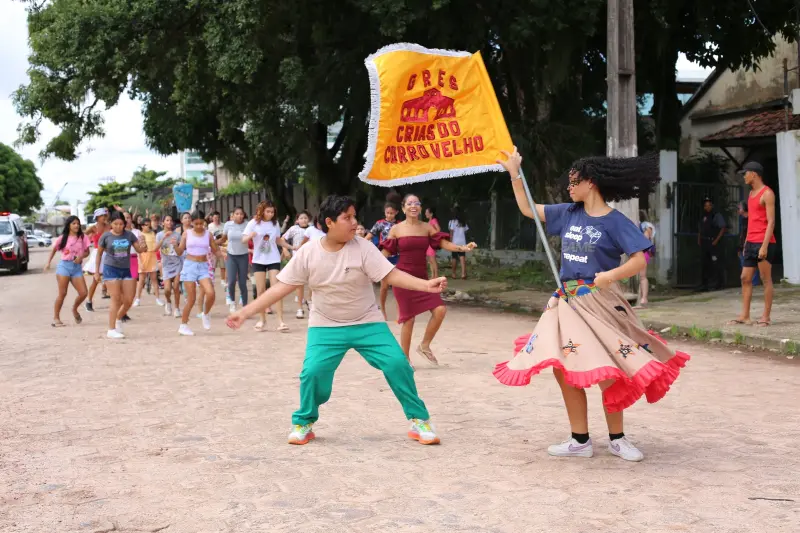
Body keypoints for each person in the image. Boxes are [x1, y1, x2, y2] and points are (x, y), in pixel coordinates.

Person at [493, 147, 690, 462]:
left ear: (592, 182)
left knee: (609, 367)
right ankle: (579, 440)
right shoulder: (568, 213)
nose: (569, 188)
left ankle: (617, 438)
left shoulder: (615, 221)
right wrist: (515, 172)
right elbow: (528, 209)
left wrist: (610, 276)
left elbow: (640, 259)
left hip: (600, 301)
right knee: (563, 367)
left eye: (574, 182)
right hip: (566, 301)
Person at [226, 194, 445, 446]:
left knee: (398, 364)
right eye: (347, 218)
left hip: (367, 323)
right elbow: (280, 288)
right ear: (329, 222)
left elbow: (391, 274)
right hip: (326, 325)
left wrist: (426, 285)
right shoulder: (309, 252)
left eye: (354, 217)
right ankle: (304, 422)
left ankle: (419, 419)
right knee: (312, 373)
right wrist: (245, 312)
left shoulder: (363, 248)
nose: (354, 223)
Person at [381, 194, 476, 366]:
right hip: (403, 279)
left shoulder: (427, 228)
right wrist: (370, 267)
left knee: (440, 310)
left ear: (420, 208)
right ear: (403, 208)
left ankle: (424, 345)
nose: (413, 206)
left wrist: (462, 248)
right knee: (409, 318)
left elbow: (444, 243)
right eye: (409, 203)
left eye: (417, 203)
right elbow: (385, 253)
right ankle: (405, 358)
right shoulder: (396, 229)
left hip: (423, 280)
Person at [727, 162, 776, 327]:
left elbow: (771, 222)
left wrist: (764, 246)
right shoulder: (751, 194)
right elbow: (752, 220)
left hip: (764, 242)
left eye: (745, 173)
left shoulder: (767, 193)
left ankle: (765, 317)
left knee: (765, 279)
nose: (744, 177)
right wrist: (746, 242)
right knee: (745, 277)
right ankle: (745, 316)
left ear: (754, 174)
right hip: (751, 242)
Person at [95, 212, 147, 339]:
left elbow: (140, 250)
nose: (118, 226)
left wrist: (144, 245)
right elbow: (99, 254)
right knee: (116, 298)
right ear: (110, 224)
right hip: (111, 269)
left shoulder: (129, 235)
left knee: (129, 299)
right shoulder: (106, 236)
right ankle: (111, 329)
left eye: (121, 224)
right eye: (115, 224)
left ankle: (118, 318)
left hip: (126, 269)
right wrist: (97, 272)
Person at [242, 200, 293, 332]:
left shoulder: (275, 223)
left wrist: (290, 247)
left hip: (273, 258)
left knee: (276, 289)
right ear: (262, 211)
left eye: (272, 212)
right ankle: (262, 320)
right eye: (268, 211)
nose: (270, 214)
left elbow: (277, 239)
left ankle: (280, 321)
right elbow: (243, 240)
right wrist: (250, 236)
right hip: (258, 259)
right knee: (261, 290)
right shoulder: (253, 223)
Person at [175, 210, 223, 335]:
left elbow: (216, 250)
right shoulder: (187, 234)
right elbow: (180, 251)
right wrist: (174, 245)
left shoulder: (208, 235)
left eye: (201, 223)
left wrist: (223, 255)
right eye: (196, 224)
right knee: (191, 299)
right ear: (192, 223)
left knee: (211, 293)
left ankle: (205, 313)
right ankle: (183, 325)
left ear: (204, 222)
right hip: (189, 266)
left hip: (203, 266)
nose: (199, 226)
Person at [44, 216, 90, 327]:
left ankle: (74, 309)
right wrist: (48, 262)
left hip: (76, 268)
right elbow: (54, 250)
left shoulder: (83, 237)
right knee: (63, 293)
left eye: (78, 223)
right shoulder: (63, 238)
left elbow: (87, 252)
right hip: (64, 267)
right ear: (68, 225)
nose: (76, 225)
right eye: (74, 223)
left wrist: (81, 256)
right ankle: (56, 318)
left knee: (83, 293)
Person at [365, 196, 401, 317]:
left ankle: (400, 311)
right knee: (384, 286)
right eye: (387, 213)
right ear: (384, 212)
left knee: (398, 286)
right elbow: (369, 236)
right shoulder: (380, 223)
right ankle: (383, 310)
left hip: (397, 257)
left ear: (396, 212)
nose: (389, 215)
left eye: (392, 213)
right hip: (384, 257)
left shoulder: (400, 225)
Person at [282, 210, 312, 318]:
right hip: (297, 258)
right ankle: (300, 308)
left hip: (311, 258)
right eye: (301, 218)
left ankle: (309, 300)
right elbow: (283, 239)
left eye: (305, 218)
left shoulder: (312, 229)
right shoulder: (293, 229)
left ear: (309, 219)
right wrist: (285, 249)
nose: (303, 220)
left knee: (312, 282)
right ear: (297, 220)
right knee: (299, 283)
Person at [221, 207, 249, 313]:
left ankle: (245, 306)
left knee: (242, 283)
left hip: (243, 256)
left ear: (244, 215)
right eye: (237, 214)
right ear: (233, 215)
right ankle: (232, 302)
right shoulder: (228, 225)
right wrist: (213, 243)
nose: (239, 216)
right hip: (231, 256)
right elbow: (223, 238)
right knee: (231, 281)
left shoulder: (247, 225)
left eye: (241, 214)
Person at [156, 215, 183, 317]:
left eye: (171, 220)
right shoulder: (159, 235)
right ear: (163, 223)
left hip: (177, 264)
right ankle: (168, 302)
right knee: (167, 289)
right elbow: (155, 249)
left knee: (176, 287)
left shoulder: (177, 235)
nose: (169, 222)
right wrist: (163, 238)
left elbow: (180, 252)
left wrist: (175, 245)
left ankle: (177, 308)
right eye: (167, 220)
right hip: (166, 265)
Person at [83, 208, 110, 311]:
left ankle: (116, 302)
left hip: (108, 254)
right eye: (102, 215)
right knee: (95, 280)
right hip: (97, 254)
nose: (104, 217)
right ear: (97, 217)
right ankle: (89, 301)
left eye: (105, 215)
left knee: (111, 279)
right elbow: (81, 236)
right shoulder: (93, 228)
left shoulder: (109, 226)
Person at [697, 198, 726, 291]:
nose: (707, 207)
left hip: (713, 242)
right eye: (705, 206)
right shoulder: (703, 216)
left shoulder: (716, 215)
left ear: (712, 206)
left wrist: (716, 241)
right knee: (705, 263)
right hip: (704, 242)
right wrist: (699, 239)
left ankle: (719, 283)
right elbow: (700, 229)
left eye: (709, 205)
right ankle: (704, 284)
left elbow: (722, 228)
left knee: (715, 263)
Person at [134, 219, 163, 307]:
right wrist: (140, 261)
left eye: (149, 224)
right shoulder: (140, 235)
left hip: (152, 256)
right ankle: (138, 299)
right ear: (142, 226)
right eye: (146, 225)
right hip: (143, 256)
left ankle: (158, 298)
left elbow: (156, 246)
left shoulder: (153, 233)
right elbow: (139, 249)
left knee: (154, 279)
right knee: (141, 280)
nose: (148, 226)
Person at [634, 210, 655, 309]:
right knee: (641, 276)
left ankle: (644, 298)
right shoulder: (647, 226)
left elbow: (645, 239)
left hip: (642, 253)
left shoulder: (645, 226)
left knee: (642, 276)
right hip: (641, 252)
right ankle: (642, 298)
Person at [736, 202, 761, 287]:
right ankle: (748, 284)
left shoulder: (751, 218)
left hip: (751, 245)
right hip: (743, 246)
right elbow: (742, 235)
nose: (738, 210)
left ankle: (754, 284)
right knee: (744, 265)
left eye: (739, 208)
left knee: (752, 265)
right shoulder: (743, 220)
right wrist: (740, 247)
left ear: (744, 208)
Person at [448, 210, 470, 279]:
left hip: (455, 242)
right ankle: (463, 274)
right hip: (462, 242)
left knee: (454, 257)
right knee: (462, 257)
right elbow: (466, 231)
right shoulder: (463, 222)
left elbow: (451, 232)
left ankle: (453, 274)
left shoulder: (452, 222)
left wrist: (450, 242)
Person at [208, 211, 226, 289]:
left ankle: (223, 280)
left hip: (222, 247)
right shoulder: (210, 226)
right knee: (213, 265)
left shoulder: (223, 225)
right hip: (214, 248)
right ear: (212, 218)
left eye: (218, 217)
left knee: (223, 265)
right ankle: (212, 279)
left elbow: (225, 236)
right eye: (215, 217)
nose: (216, 219)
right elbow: (209, 237)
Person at [424, 207, 441, 279]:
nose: (425, 214)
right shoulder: (429, 221)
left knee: (432, 259)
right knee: (430, 259)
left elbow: (438, 229)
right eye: (425, 212)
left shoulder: (434, 220)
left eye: (427, 212)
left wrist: (432, 235)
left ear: (431, 214)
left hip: (432, 242)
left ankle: (436, 275)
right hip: (428, 242)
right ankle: (432, 275)